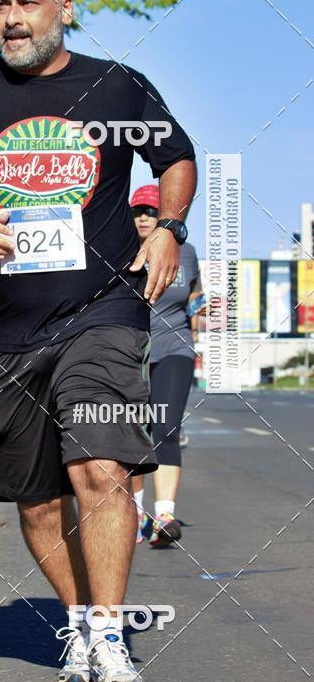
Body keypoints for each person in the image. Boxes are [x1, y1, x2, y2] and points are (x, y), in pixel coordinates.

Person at [0, 0, 197, 682]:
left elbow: (176, 156)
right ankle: (78, 619)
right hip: (10, 331)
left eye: (29, 3)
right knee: (38, 498)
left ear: (66, 7)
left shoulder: (115, 85)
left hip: (103, 311)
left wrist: (168, 225)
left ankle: (110, 639)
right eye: (2, 4)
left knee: (100, 465)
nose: (12, 18)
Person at [130, 184, 204, 547]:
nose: (143, 217)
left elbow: (192, 297)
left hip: (176, 348)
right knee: (134, 433)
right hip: (131, 351)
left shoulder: (186, 252)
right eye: (136, 211)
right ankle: (134, 513)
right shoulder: (119, 250)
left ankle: (165, 515)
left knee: (165, 429)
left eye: (150, 210)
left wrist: (203, 307)